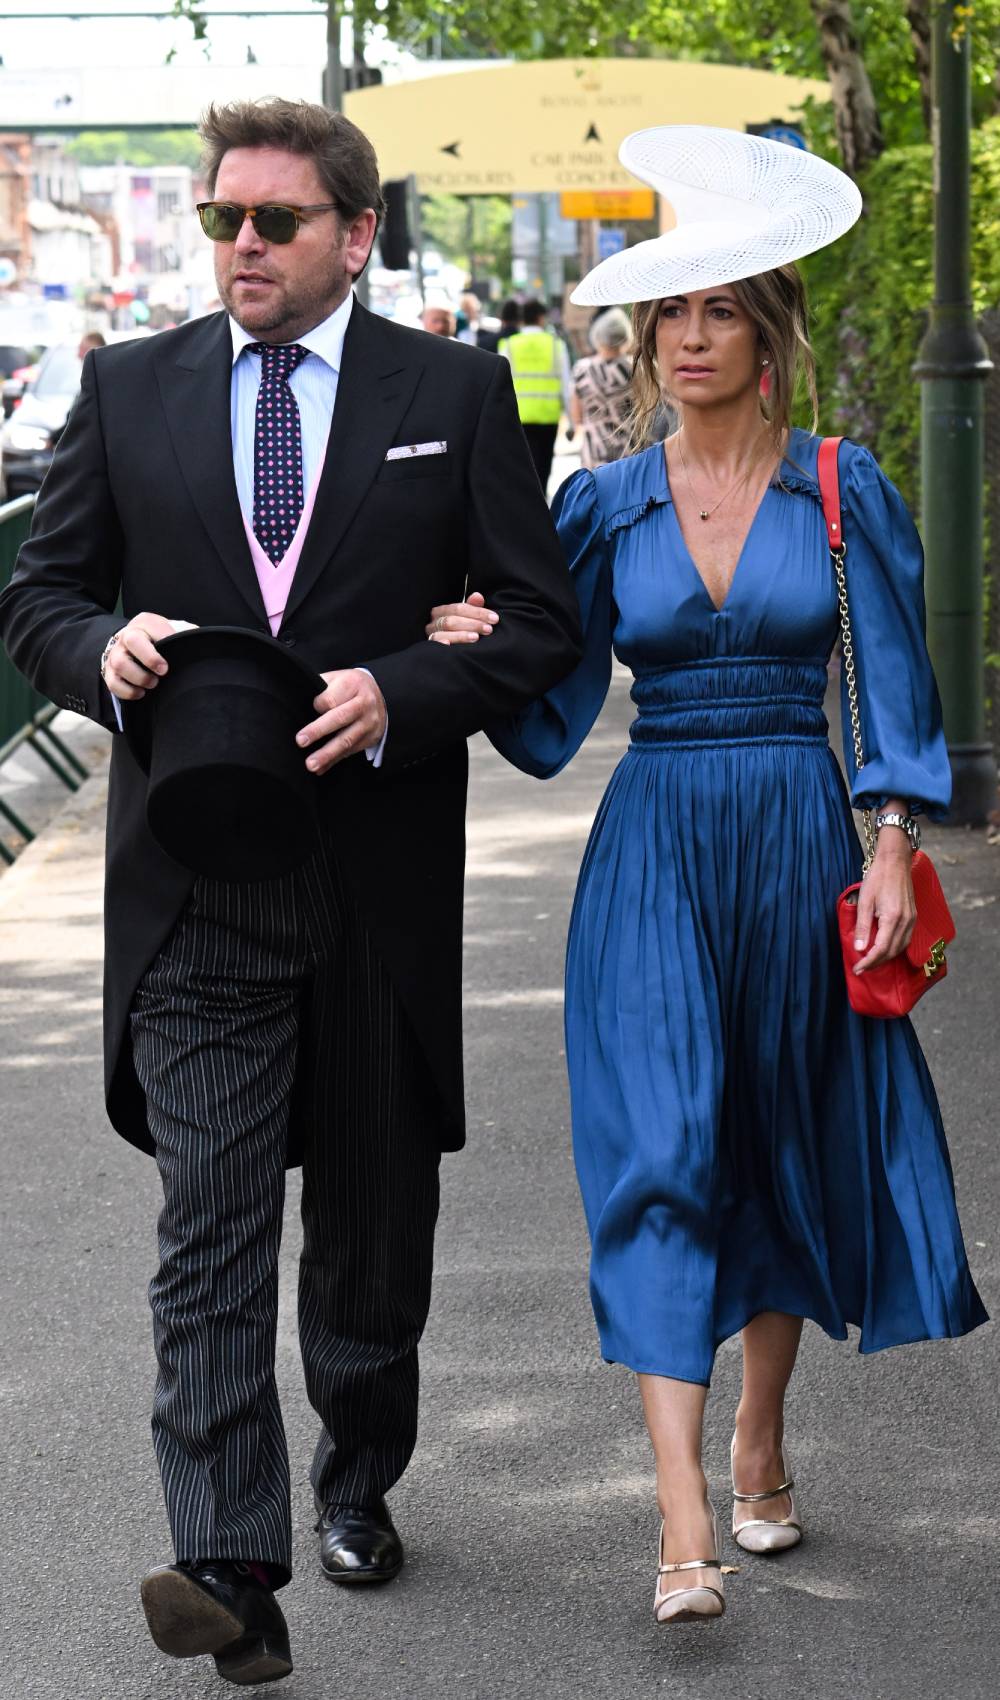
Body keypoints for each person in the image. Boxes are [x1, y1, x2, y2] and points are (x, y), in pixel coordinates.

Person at [0, 96, 580, 1685]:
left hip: (377, 888)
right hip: (192, 889)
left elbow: (537, 627)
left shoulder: (452, 393)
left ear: (355, 234)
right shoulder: (128, 388)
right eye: (221, 221)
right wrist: (92, 655)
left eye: (275, 221)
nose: (241, 246)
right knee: (208, 1231)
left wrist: (402, 688)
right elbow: (39, 591)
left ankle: (358, 1475)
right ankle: (229, 1564)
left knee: (372, 1248)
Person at [424, 125, 987, 1628]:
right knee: (662, 1156)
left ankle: (758, 1437)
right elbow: (553, 693)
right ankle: (682, 1529)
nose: (685, 338)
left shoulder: (839, 483)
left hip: (801, 845)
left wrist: (888, 843)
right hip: (656, 849)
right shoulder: (606, 503)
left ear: (768, 329)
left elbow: (895, 690)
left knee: (782, 1147)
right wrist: (484, 650)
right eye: (666, 314)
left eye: (717, 310)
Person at [499, 297, 571, 492]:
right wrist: (572, 421)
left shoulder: (509, 344)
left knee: (523, 466)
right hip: (548, 415)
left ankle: (527, 504)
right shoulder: (555, 344)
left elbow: (500, 384)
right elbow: (566, 384)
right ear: (541, 318)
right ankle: (542, 504)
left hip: (518, 416)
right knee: (544, 464)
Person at [569, 306, 634, 469]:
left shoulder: (582, 369)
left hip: (594, 454)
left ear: (597, 335)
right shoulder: (636, 368)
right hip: (631, 455)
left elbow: (576, 415)